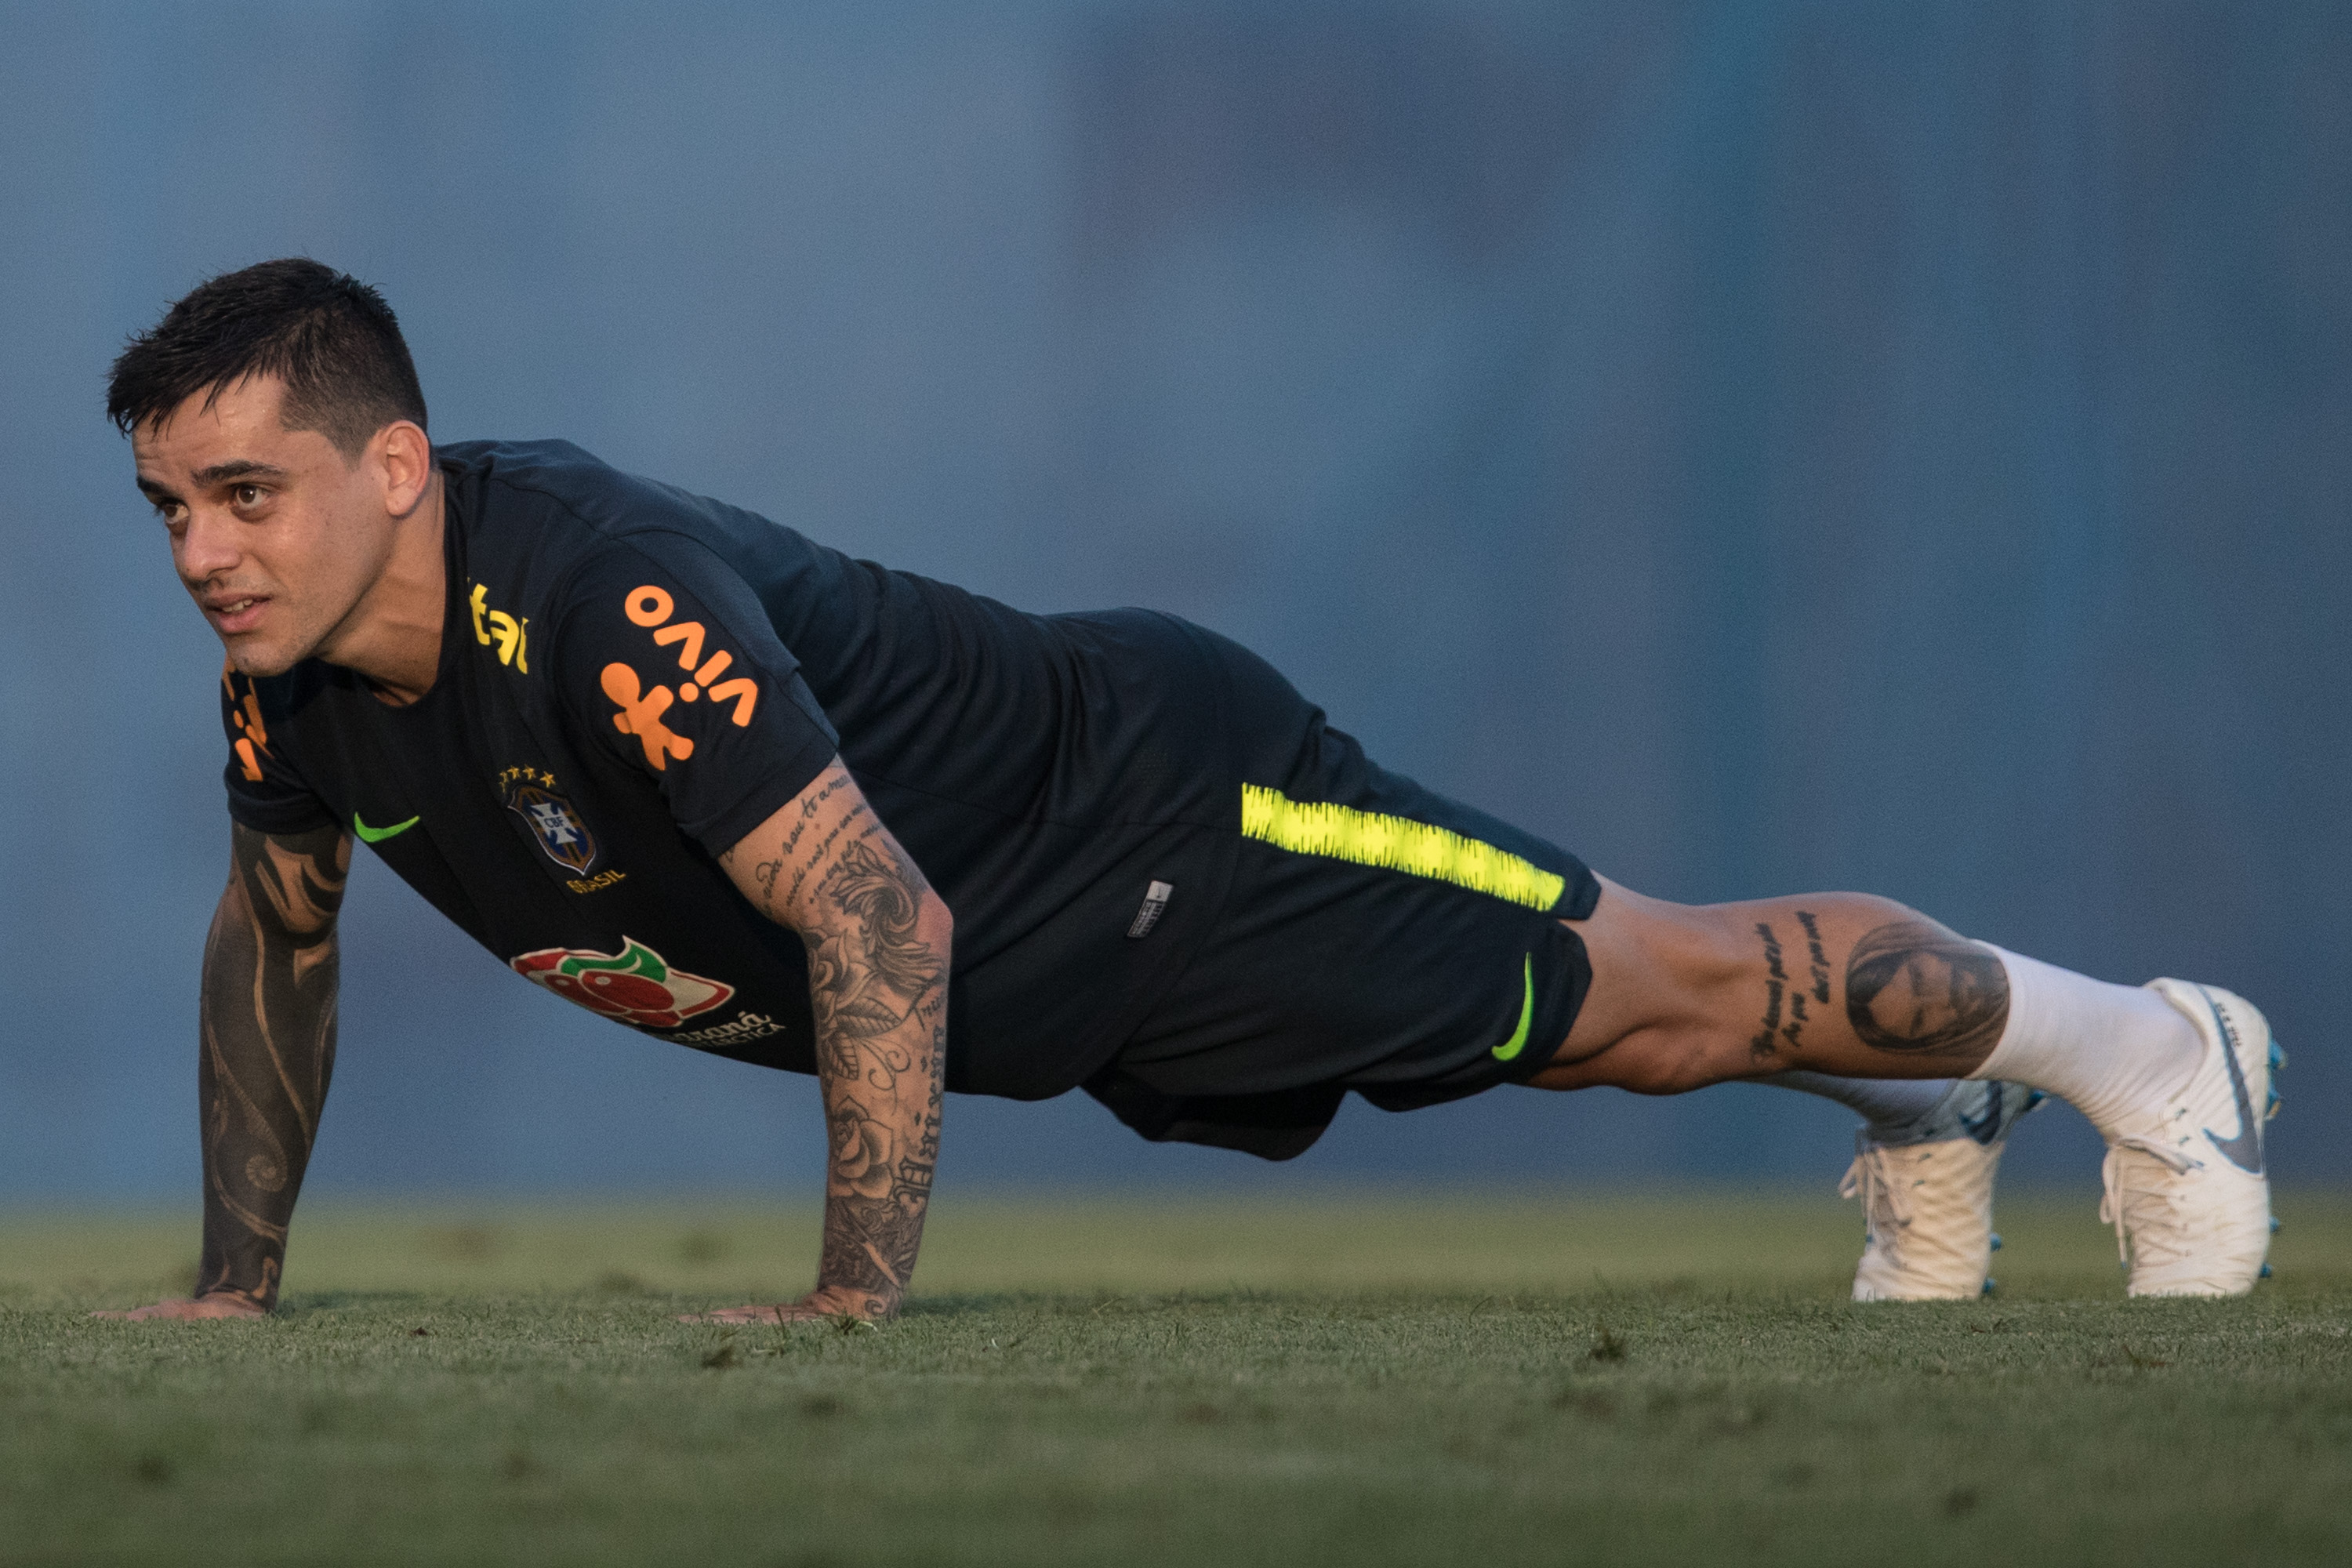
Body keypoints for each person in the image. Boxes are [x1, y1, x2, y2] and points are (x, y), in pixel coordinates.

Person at [98, 260, 2278, 1324]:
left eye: (248, 493)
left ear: (398, 464)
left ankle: (2149, 1047)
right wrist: (233, 1284)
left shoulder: (601, 596)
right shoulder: (295, 691)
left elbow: (879, 917)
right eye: (173, 508)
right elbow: (276, 944)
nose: (204, 552)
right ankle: (1924, 1113)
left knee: (1662, 998)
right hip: (1057, 991)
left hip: (1170, 818)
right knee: (1614, 1050)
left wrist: (854, 1298)